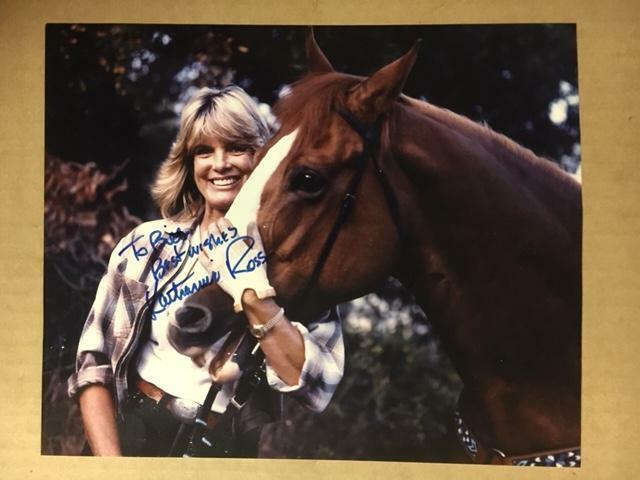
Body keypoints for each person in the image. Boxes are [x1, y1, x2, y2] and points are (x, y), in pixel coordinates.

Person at [67, 85, 345, 457]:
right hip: (127, 439)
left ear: (262, 159)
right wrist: (112, 468)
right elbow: (93, 365)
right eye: (204, 151)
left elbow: (317, 388)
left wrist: (252, 294)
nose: (220, 164)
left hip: (219, 452)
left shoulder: (295, 270)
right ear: (189, 163)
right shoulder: (148, 245)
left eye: (237, 147)